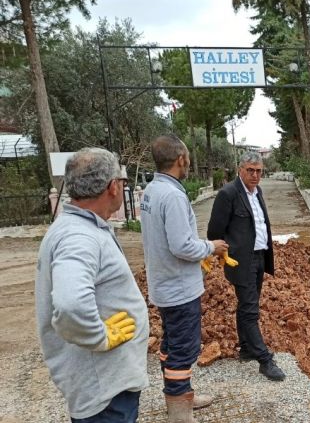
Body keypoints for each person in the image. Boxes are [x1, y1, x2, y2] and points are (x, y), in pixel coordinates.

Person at [36, 148, 149, 422]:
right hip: (104, 394)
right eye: (121, 182)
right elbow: (70, 304)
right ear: (112, 187)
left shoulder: (80, 227)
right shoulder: (79, 237)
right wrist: (100, 337)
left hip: (107, 383)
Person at [140, 135, 229, 421]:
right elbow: (181, 246)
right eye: (187, 158)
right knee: (183, 349)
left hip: (164, 284)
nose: (188, 162)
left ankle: (181, 396)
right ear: (181, 159)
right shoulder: (173, 196)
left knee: (170, 346)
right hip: (179, 289)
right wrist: (211, 247)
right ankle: (180, 413)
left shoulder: (152, 191)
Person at [207, 151, 285, 381]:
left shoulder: (257, 191)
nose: (255, 175)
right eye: (250, 170)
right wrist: (226, 252)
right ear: (240, 169)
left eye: (259, 171)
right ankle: (264, 359)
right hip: (242, 261)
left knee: (247, 305)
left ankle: (246, 349)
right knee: (250, 310)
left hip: (260, 257)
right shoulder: (228, 194)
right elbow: (214, 232)